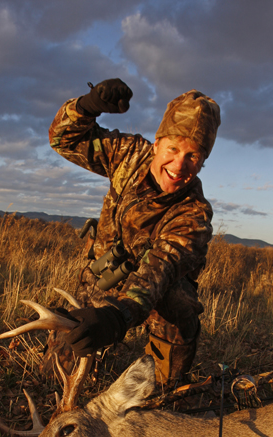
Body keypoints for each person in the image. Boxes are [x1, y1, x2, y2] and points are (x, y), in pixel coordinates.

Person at [47, 78, 221, 386]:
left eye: (193, 156)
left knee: (178, 309)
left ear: (203, 161)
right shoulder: (128, 154)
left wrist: (117, 317)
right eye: (173, 148)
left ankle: (168, 383)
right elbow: (64, 140)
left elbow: (158, 271)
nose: (179, 164)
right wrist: (86, 108)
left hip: (158, 292)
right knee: (56, 371)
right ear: (156, 145)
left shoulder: (194, 215)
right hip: (103, 275)